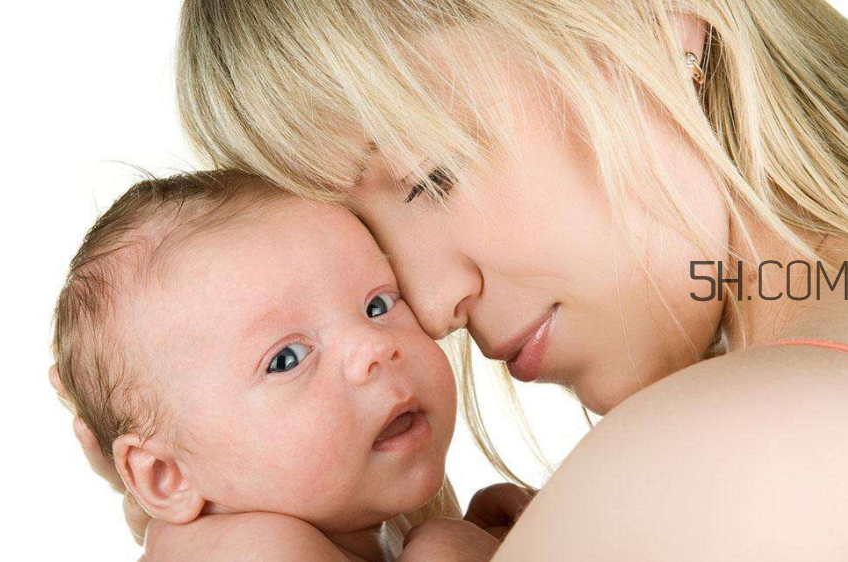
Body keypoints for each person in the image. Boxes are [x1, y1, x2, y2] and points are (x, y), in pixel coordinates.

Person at [58, 1, 848, 560]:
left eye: (428, 179)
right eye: (372, 247)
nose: (431, 311)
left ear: (652, 18)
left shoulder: (740, 440)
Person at [50, 170, 531, 561]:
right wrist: (446, 551)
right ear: (166, 476)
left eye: (378, 305)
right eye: (286, 359)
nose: (374, 348)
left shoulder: (338, 515)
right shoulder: (257, 550)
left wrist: (480, 537)